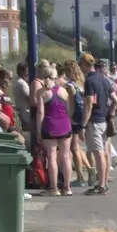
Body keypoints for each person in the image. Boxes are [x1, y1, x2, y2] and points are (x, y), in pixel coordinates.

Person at [37, 63, 75, 197]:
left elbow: (40, 113)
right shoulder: (63, 91)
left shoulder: (41, 93)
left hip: (49, 126)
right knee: (65, 157)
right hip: (65, 125)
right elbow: (69, 110)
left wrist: (38, 130)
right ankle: (67, 187)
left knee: (51, 157)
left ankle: (53, 188)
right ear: (54, 76)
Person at [81, 54, 114, 195]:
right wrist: (110, 114)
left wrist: (83, 126)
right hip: (104, 120)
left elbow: (88, 105)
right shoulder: (105, 80)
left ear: (84, 65)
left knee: (98, 153)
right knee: (104, 153)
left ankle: (100, 185)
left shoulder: (89, 81)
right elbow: (116, 100)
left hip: (94, 121)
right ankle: (104, 183)